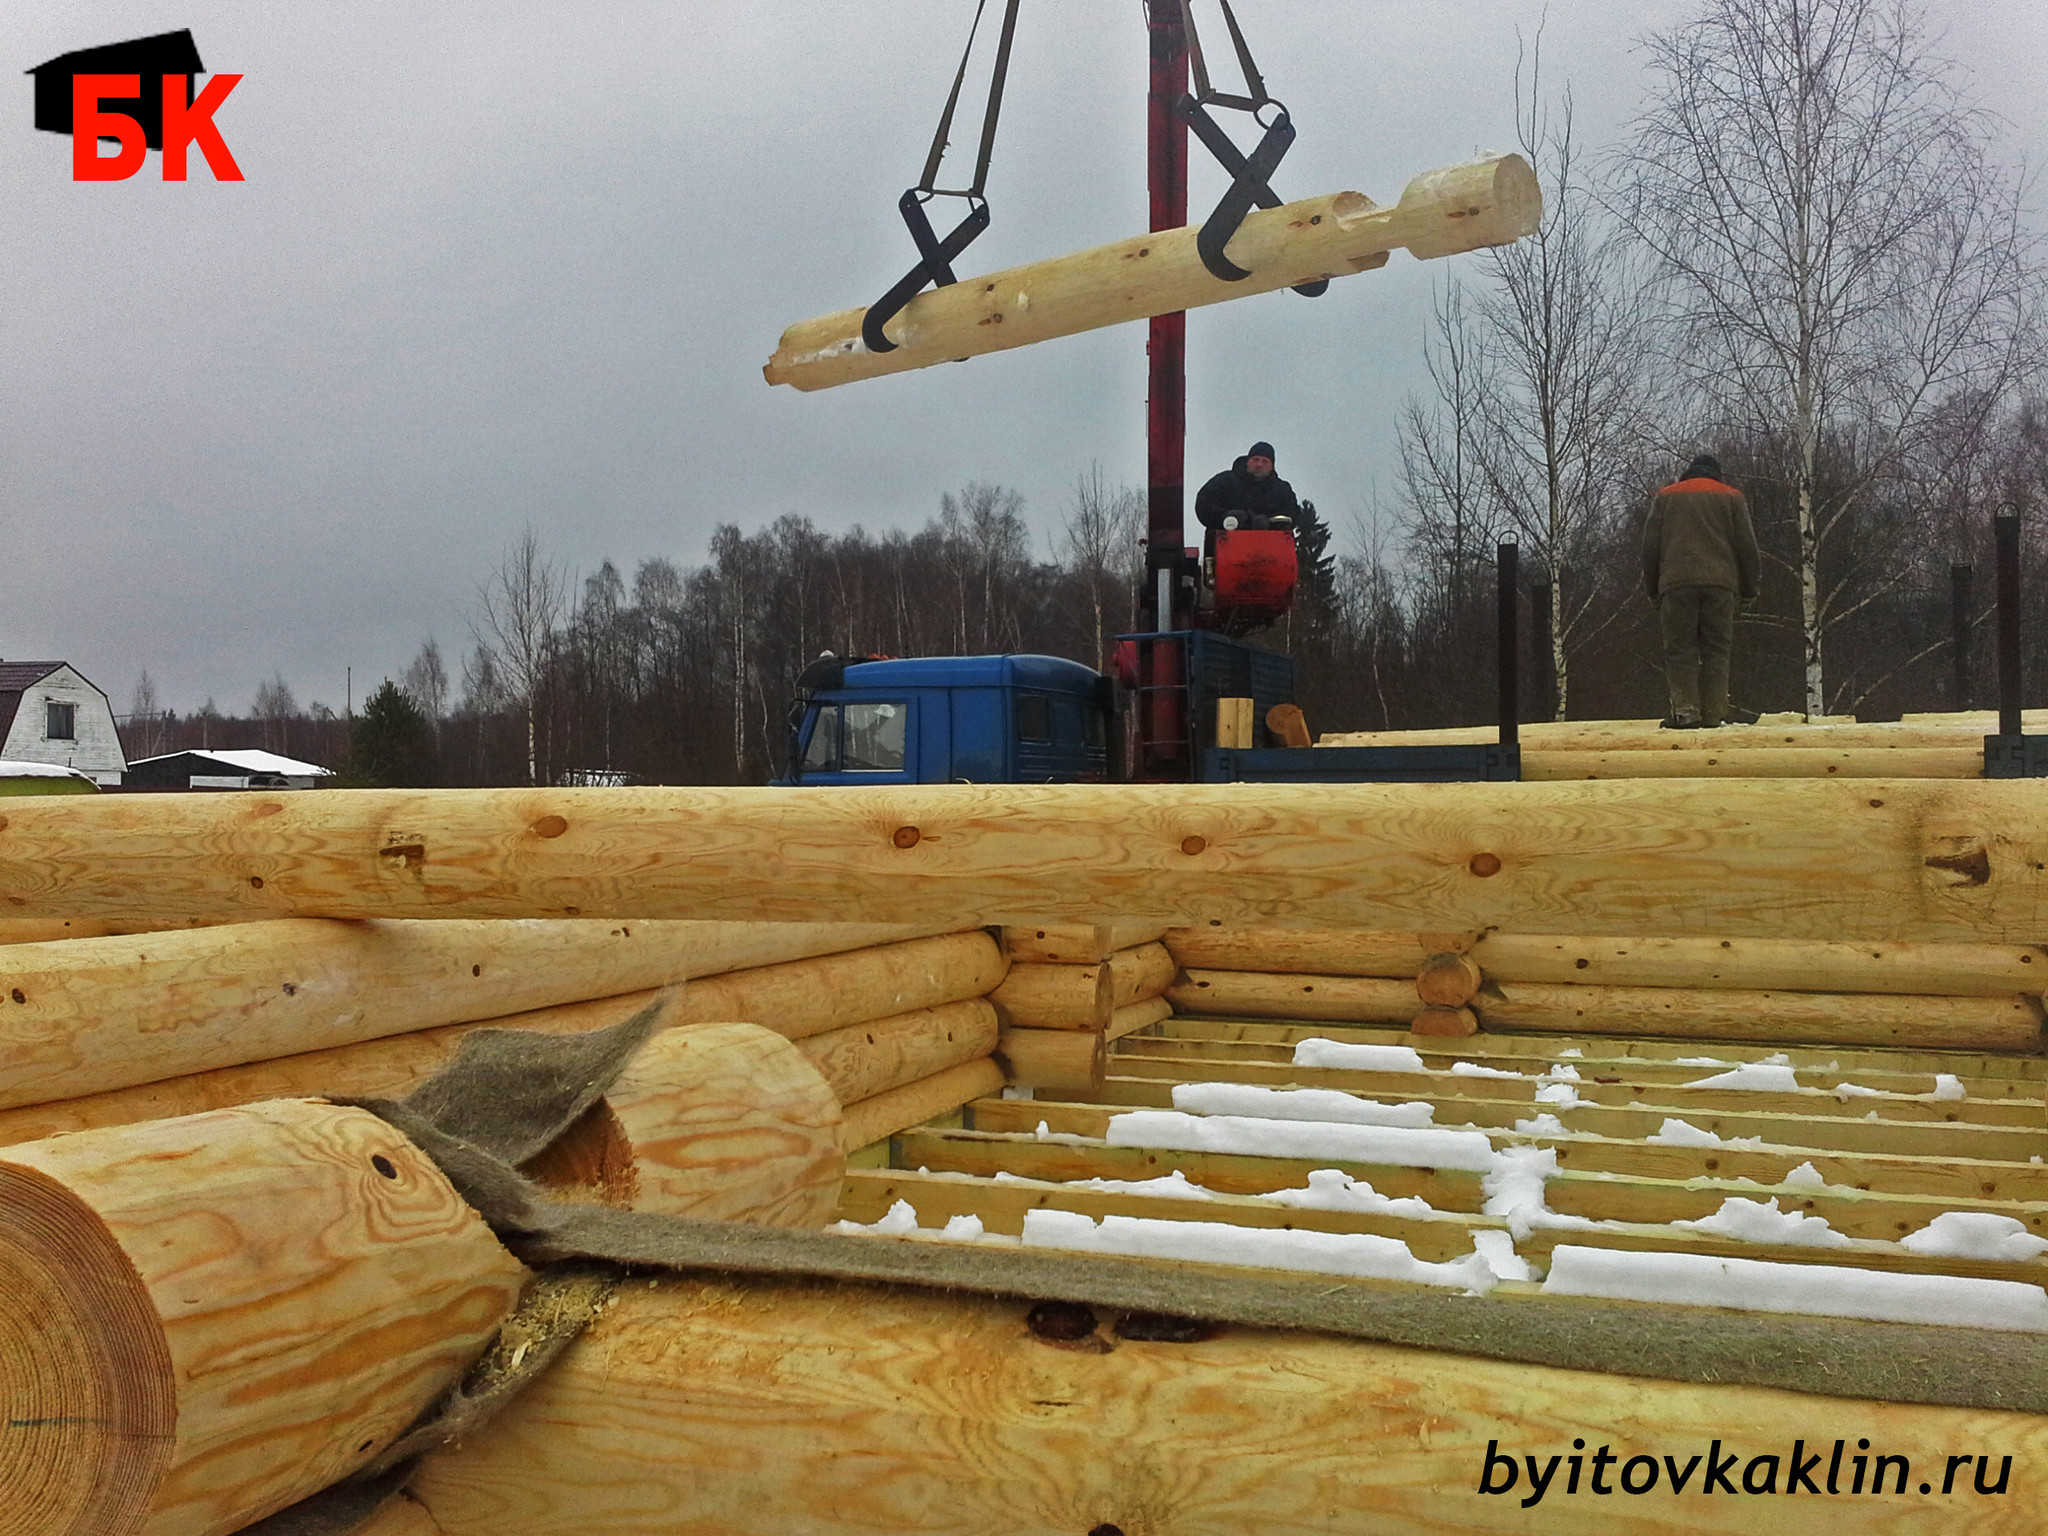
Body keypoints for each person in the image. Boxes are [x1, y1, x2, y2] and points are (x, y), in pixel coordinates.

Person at [1641, 453, 1760, 728]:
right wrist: (1749, 589)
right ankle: (1715, 715)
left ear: (1689, 473)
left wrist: (1653, 589)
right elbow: (1747, 548)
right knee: (1716, 651)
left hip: (1675, 584)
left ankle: (1685, 713)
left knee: (1680, 650)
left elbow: (1650, 548)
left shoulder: (1666, 497)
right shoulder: (1732, 497)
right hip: (1721, 586)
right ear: (1716, 474)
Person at [1195, 440, 1300, 532]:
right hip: (1225, 544)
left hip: (1271, 547)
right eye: (1256, 459)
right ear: (1248, 461)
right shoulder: (1225, 481)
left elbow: (1292, 513)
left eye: (1265, 461)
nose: (1259, 464)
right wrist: (1225, 516)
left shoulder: (1281, 490)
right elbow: (1204, 503)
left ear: (1272, 466)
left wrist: (1269, 522)